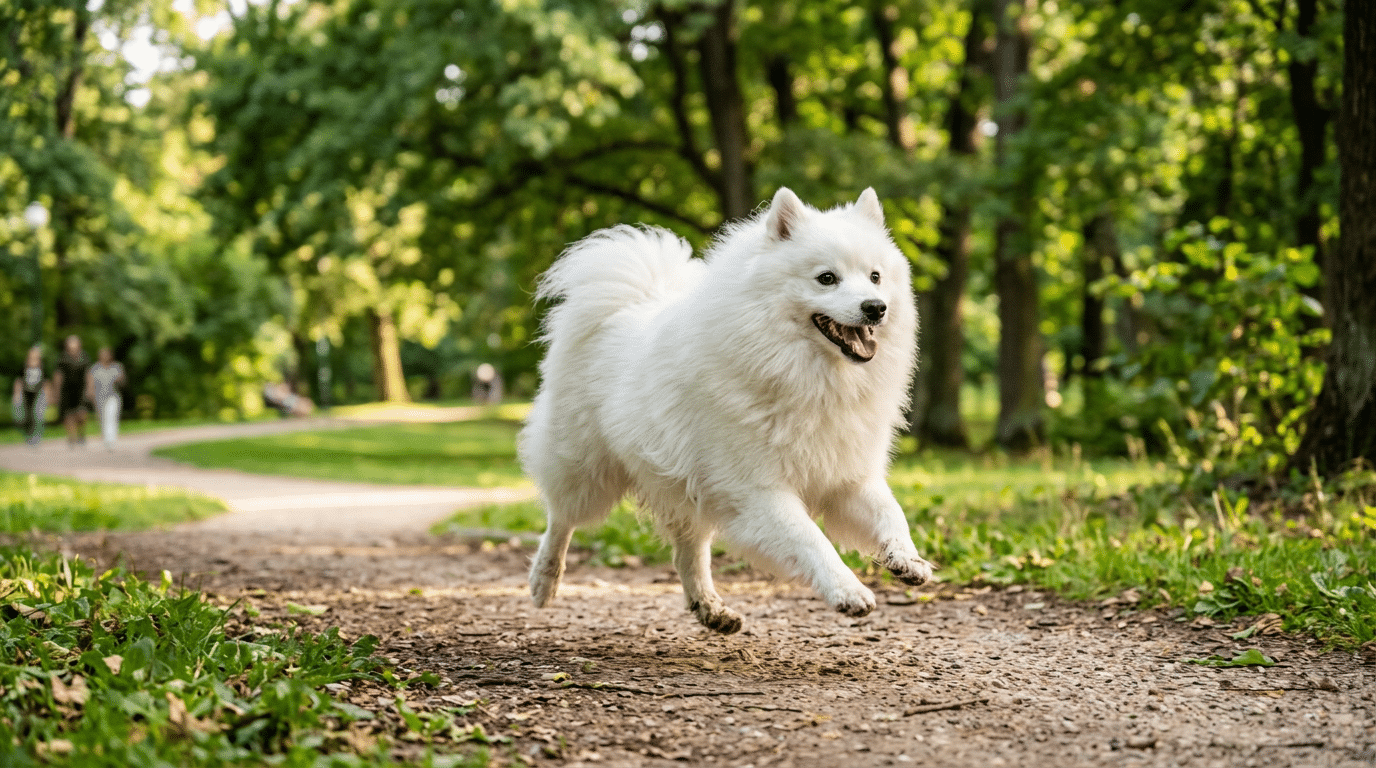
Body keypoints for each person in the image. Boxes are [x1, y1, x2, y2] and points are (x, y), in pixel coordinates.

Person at [52, 335, 90, 447]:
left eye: (75, 344)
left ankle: (81, 434)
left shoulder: (84, 357)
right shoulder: (62, 358)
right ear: (67, 346)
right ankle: (72, 437)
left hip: (80, 390)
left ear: (79, 345)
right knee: (68, 414)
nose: (72, 346)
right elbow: (58, 375)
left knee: (81, 414)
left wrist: (89, 388)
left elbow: (88, 374)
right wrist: (56, 391)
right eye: (70, 344)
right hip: (66, 390)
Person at [87, 347, 126, 450]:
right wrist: (90, 393)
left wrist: (120, 378)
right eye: (102, 354)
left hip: (113, 396)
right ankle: (106, 438)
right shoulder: (94, 368)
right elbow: (90, 383)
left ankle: (111, 439)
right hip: (99, 397)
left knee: (112, 416)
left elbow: (123, 382)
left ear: (110, 355)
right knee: (103, 418)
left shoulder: (117, 367)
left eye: (106, 354)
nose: (104, 356)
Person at [11, 346, 51, 446]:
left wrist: (48, 395)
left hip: (38, 393)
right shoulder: (24, 365)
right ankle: (28, 435)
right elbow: (18, 381)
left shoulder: (42, 366)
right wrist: (16, 394)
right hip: (26, 393)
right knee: (26, 416)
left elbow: (46, 381)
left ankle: (37, 436)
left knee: (38, 415)